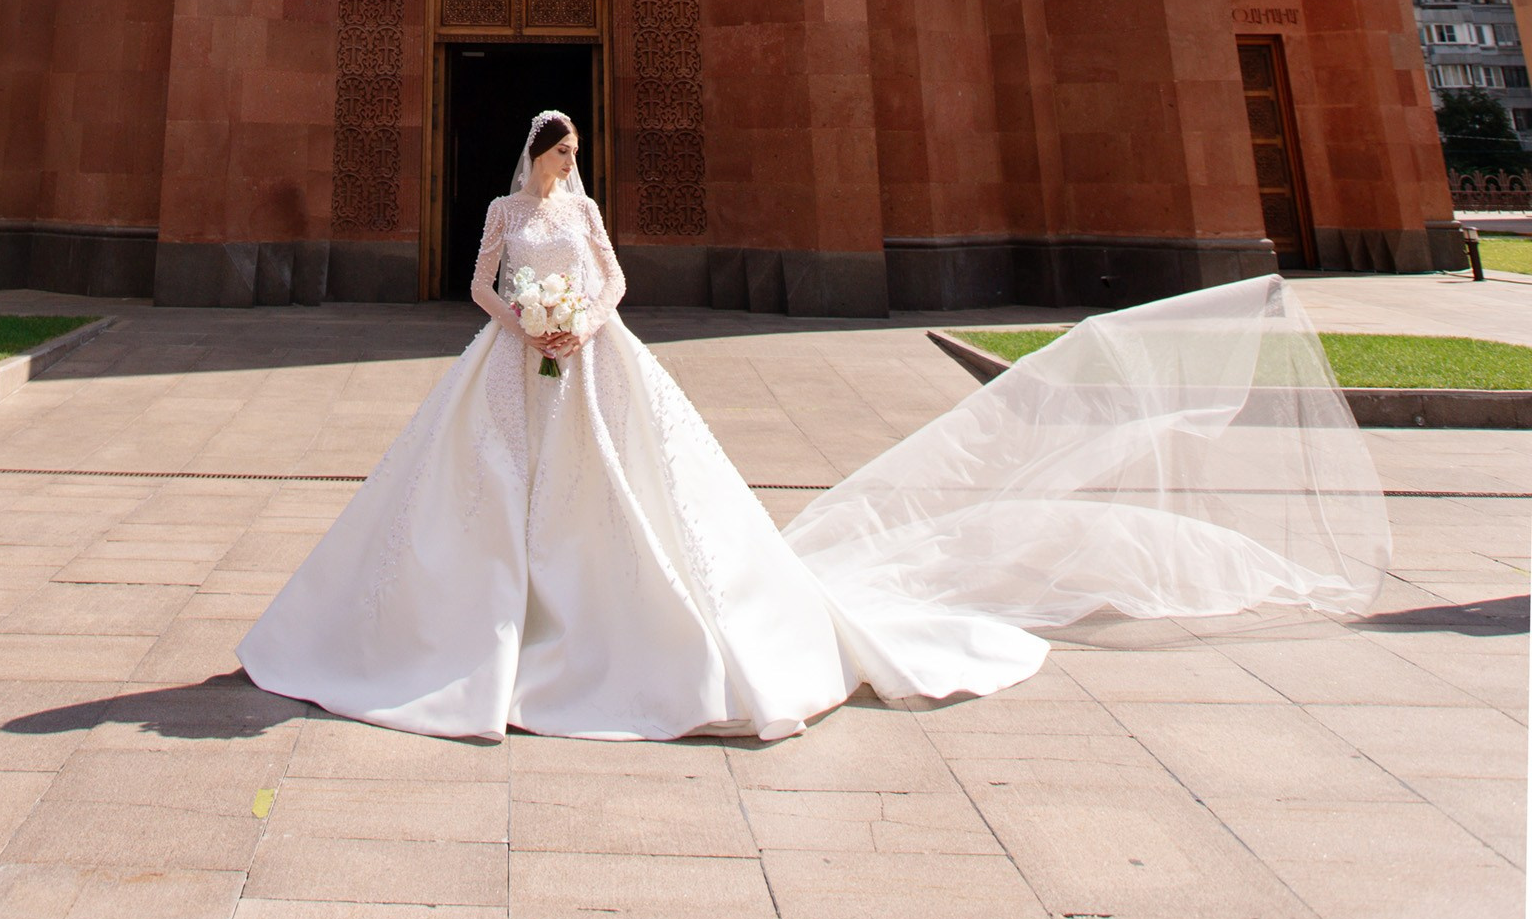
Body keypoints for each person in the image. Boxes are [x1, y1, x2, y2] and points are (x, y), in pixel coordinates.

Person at [237, 110, 1386, 744]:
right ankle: (491, 630)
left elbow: (613, 277)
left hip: (585, 355)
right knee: (489, 490)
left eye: (568, 155)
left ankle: (605, 630)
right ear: (533, 158)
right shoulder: (502, 213)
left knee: (614, 491)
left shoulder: (580, 214)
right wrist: (524, 321)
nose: (561, 166)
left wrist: (577, 322)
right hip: (513, 358)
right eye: (555, 153)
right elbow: (484, 282)